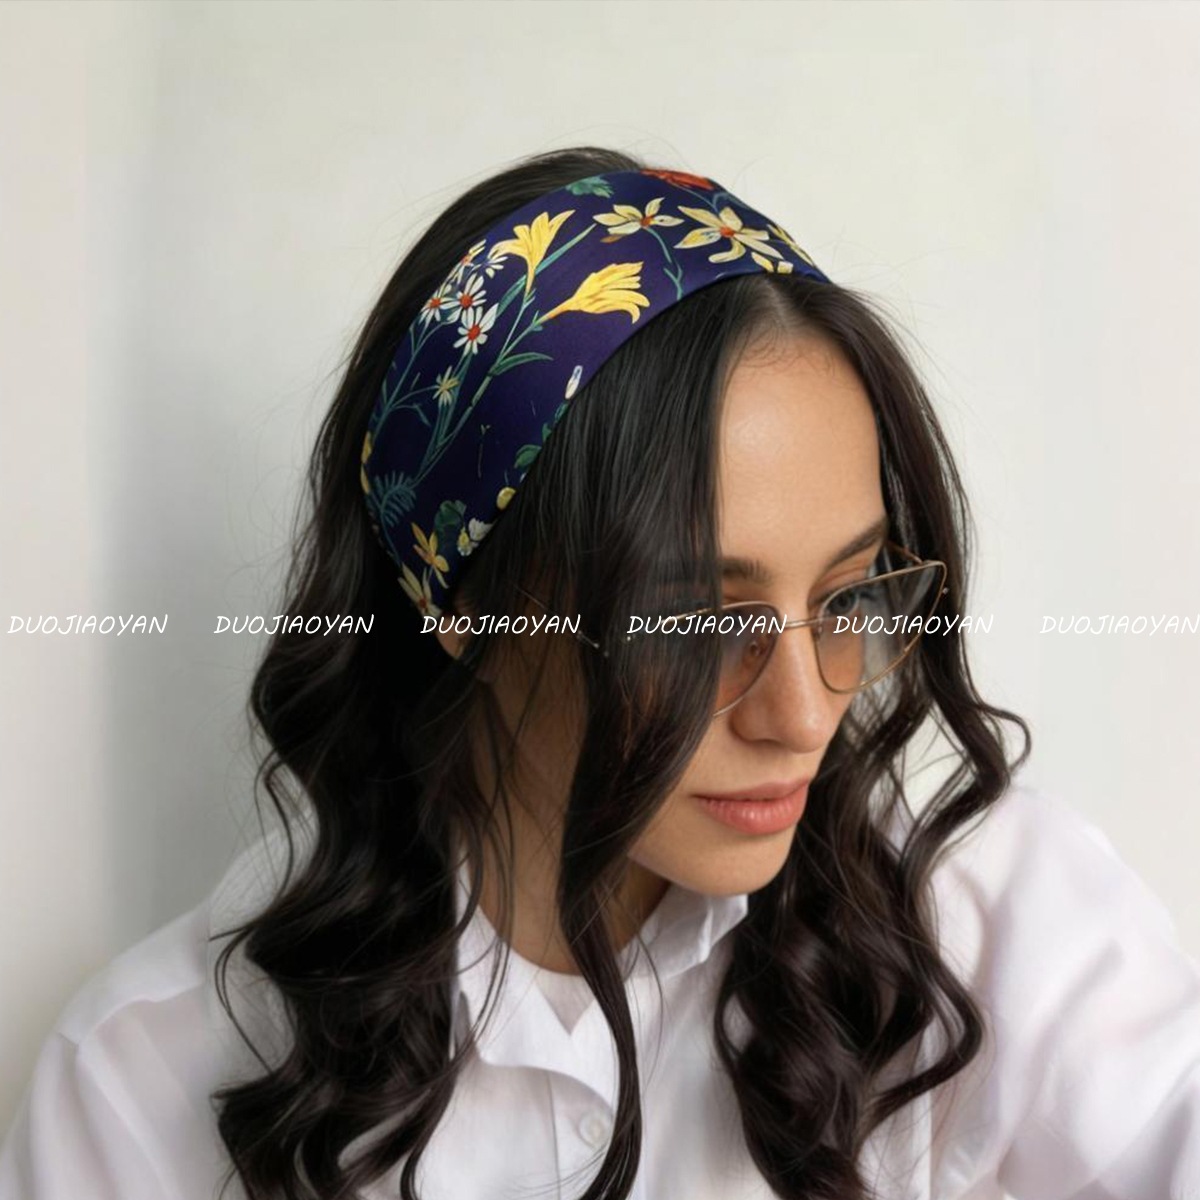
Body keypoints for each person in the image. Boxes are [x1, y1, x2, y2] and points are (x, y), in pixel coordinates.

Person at [2, 145, 1198, 1200]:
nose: (803, 713)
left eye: (848, 597)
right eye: (694, 621)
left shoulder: (992, 930)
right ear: (459, 604)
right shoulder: (147, 1084)